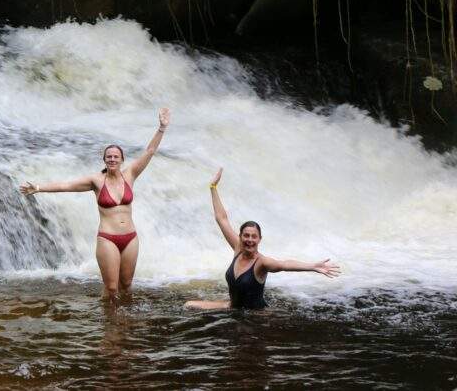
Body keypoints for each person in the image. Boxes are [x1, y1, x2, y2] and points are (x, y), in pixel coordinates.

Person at [20, 108, 171, 300]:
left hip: (131, 238)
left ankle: (127, 324)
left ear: (122, 159)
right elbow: (67, 185)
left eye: (116, 156)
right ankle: (109, 324)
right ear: (104, 160)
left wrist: (161, 128)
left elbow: (150, 151)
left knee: (127, 285)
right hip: (108, 239)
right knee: (112, 288)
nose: (112, 159)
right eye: (109, 156)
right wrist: (40, 187)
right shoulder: (96, 181)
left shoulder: (131, 174)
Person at [185, 168, 341, 310]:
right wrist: (213, 188)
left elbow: (284, 264)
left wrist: (313, 266)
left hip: (255, 315)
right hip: (232, 307)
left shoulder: (262, 263)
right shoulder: (238, 249)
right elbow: (222, 218)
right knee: (188, 305)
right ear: (240, 237)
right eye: (246, 235)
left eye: (254, 236)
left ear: (259, 239)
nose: (250, 240)